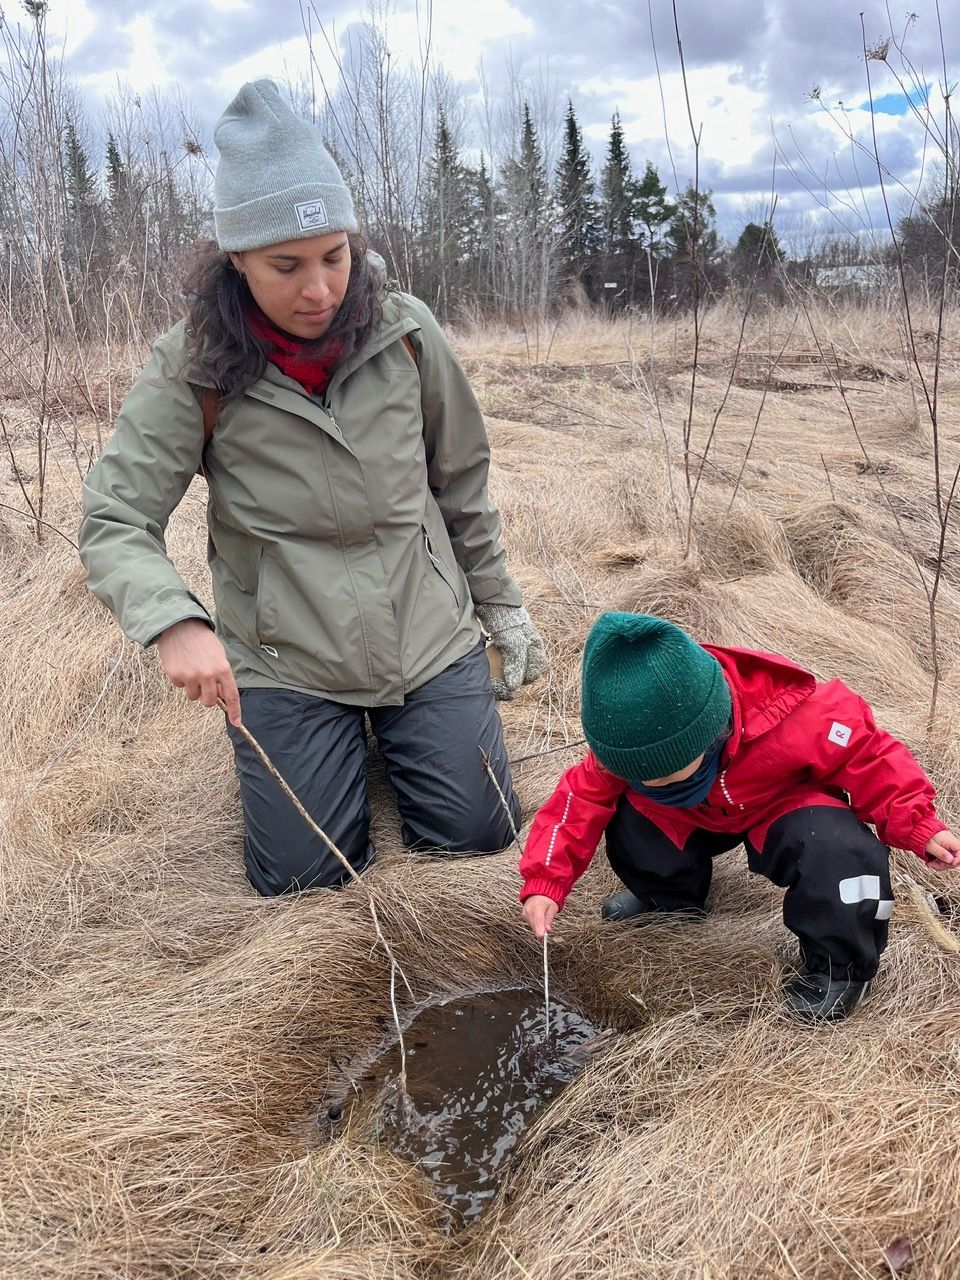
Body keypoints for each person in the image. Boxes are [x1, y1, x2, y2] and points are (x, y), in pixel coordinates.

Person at [80, 79, 546, 896]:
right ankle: (337, 746)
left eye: (335, 256)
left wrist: (498, 604)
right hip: (286, 654)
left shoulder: (407, 334)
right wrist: (174, 623)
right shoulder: (192, 366)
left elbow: (461, 482)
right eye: (285, 266)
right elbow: (116, 518)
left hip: (424, 630)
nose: (320, 289)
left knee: (478, 836)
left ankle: (409, 733)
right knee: (305, 879)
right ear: (237, 261)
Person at [519, 611, 960, 1021]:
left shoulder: (802, 714)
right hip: (694, 817)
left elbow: (872, 758)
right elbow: (574, 806)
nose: (647, 781)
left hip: (780, 805)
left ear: (711, 730)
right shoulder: (628, 751)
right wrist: (545, 881)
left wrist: (919, 824)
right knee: (630, 815)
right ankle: (668, 900)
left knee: (837, 849)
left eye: (663, 772)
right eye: (633, 774)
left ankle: (838, 969)